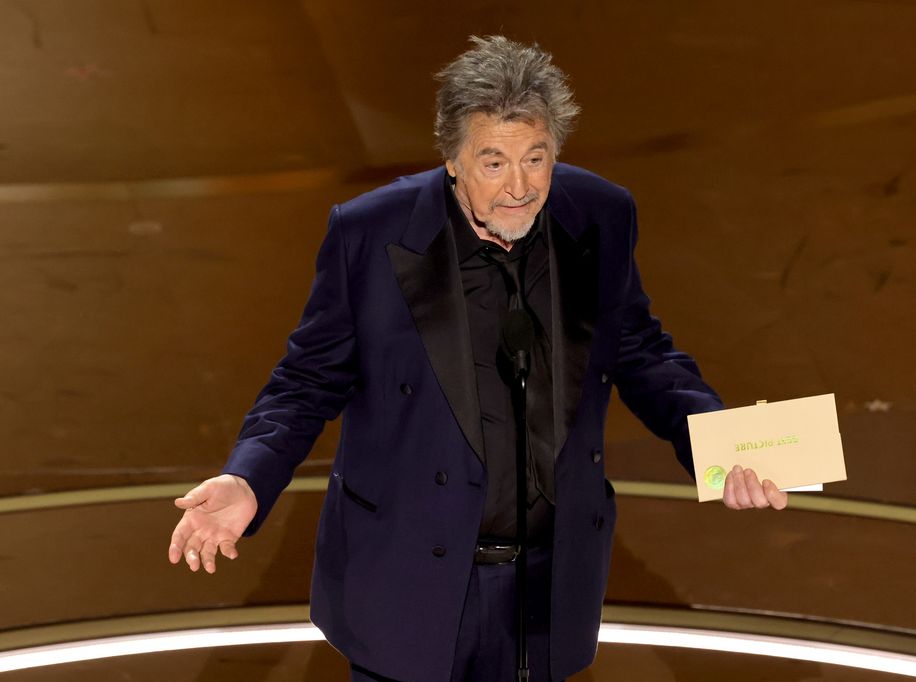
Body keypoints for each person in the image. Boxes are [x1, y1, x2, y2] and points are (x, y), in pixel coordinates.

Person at [167, 35, 788, 682]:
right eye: (494, 163)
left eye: (536, 159)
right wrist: (248, 477)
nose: (519, 187)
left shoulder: (601, 216)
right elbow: (306, 381)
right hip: (410, 586)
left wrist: (720, 443)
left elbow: (641, 351)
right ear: (452, 159)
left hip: (547, 590)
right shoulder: (370, 235)